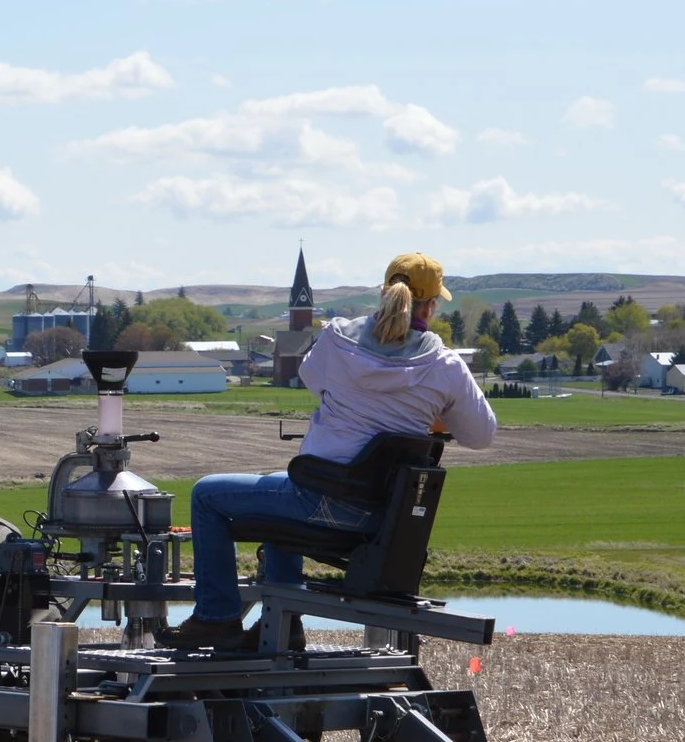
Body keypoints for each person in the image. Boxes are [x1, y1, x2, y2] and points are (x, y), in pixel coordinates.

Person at [169, 252, 496, 649]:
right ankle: (283, 624)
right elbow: (481, 434)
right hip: (382, 519)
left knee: (206, 495)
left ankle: (216, 618)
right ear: (430, 306)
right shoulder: (444, 366)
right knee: (282, 488)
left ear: (383, 294)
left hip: (318, 501)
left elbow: (310, 378)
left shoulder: (337, 340)